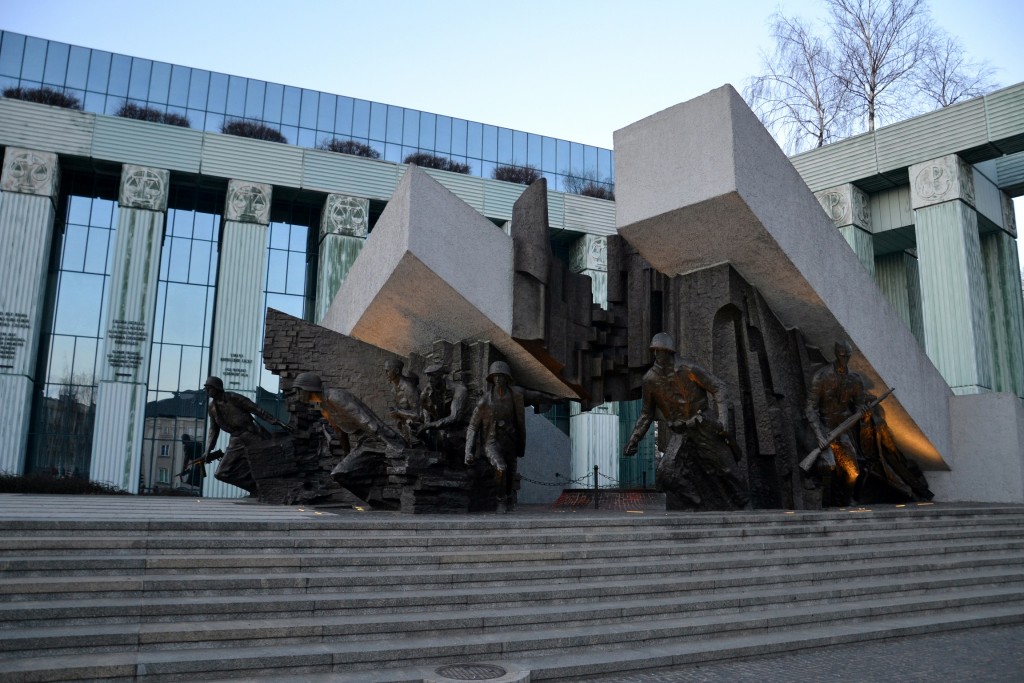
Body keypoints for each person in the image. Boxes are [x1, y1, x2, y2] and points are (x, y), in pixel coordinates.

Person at [623, 333, 748, 510]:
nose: (657, 355)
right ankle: (698, 503)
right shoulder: (650, 380)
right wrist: (633, 440)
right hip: (681, 432)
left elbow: (719, 387)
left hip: (702, 425)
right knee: (666, 473)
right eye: (655, 351)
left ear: (670, 352)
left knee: (727, 469)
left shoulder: (688, 369)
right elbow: (646, 414)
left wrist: (723, 420)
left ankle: (745, 506)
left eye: (661, 351)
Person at [200, 376, 291, 494]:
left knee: (269, 462)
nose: (207, 391)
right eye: (206, 389)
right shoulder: (212, 408)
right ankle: (257, 489)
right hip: (235, 440)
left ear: (217, 388)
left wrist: (276, 421)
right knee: (221, 473)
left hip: (252, 435)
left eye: (209, 388)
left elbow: (256, 409)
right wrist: (208, 450)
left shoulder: (233, 398)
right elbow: (213, 430)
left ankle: (276, 487)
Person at [804, 340, 868, 506]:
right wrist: (819, 435)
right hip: (824, 430)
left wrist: (865, 415)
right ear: (836, 354)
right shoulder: (822, 376)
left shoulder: (855, 380)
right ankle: (824, 503)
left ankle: (846, 503)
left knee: (853, 472)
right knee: (828, 467)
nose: (845, 359)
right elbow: (811, 409)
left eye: (848, 356)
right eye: (842, 355)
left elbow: (860, 407)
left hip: (843, 432)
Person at [465, 361, 526, 512]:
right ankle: (501, 500)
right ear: (491, 379)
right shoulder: (485, 401)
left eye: (501, 376)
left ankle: (508, 497)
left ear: (507, 378)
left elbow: (520, 421)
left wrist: (521, 445)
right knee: (501, 468)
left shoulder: (515, 396)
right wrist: (468, 451)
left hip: (510, 441)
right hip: (491, 442)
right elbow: (473, 427)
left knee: (510, 474)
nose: (498, 379)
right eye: (495, 376)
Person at [417, 362, 470, 456]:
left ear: (441, 376)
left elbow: (455, 417)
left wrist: (428, 426)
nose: (430, 379)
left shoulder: (459, 390)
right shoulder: (427, 392)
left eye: (433, 376)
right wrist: (425, 429)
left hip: (459, 430)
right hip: (440, 430)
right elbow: (427, 414)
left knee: (449, 440)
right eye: (428, 376)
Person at [384, 359, 421, 444]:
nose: (386, 374)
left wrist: (398, 412)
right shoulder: (394, 390)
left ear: (396, 371)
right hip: (404, 431)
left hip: (416, 432)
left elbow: (419, 414)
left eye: (387, 371)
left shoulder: (408, 388)